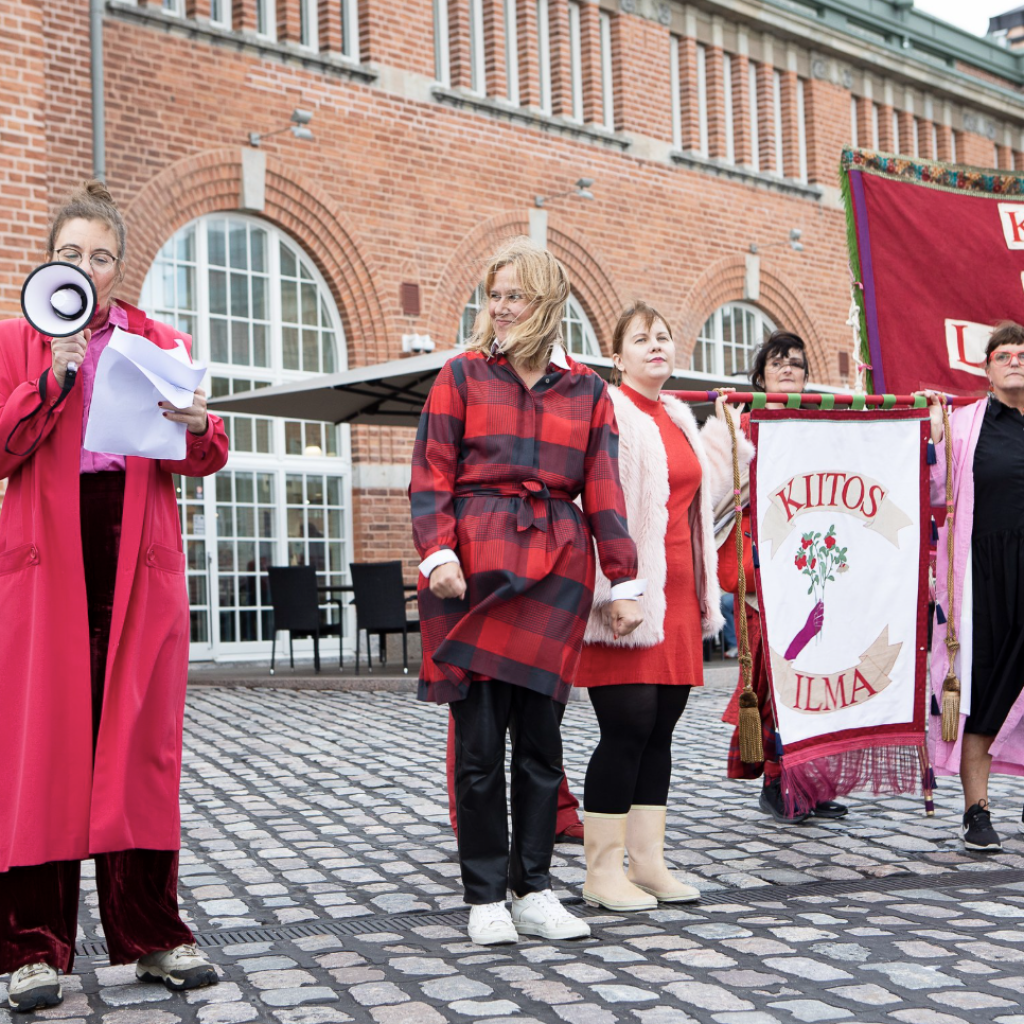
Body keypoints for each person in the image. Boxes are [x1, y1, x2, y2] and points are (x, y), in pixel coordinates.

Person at [0, 181, 228, 1012]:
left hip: (138, 562)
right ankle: (33, 951)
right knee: (40, 752)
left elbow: (204, 454)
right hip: (43, 562)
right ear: (50, 257)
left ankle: (152, 934)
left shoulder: (159, 340)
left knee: (139, 749)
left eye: (101, 257)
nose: (86, 269)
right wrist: (48, 382)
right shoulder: (15, 342)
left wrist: (198, 424)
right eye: (71, 255)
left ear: (119, 264)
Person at [410, 237, 643, 945]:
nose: (501, 308)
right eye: (496, 294)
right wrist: (438, 553)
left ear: (547, 303)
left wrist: (624, 580)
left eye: (515, 295)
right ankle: (485, 896)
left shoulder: (589, 391)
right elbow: (431, 471)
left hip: (558, 575)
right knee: (479, 749)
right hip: (474, 569)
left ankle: (534, 889)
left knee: (542, 746)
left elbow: (605, 489)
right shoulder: (461, 375)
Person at [576, 301, 751, 911]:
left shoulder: (677, 418)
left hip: (678, 598)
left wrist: (728, 440)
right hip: (629, 596)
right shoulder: (611, 411)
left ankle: (647, 862)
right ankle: (601, 872)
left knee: (660, 734)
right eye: (642, 338)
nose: (657, 345)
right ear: (618, 356)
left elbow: (709, 505)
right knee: (625, 729)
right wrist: (615, 590)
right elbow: (598, 505)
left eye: (664, 337)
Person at [720, 331, 849, 823]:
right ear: (760, 376)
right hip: (763, 568)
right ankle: (778, 782)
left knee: (814, 679)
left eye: (796, 362)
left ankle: (812, 782)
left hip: (808, 570)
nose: (789, 369)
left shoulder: (813, 426)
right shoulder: (741, 427)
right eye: (779, 363)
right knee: (776, 682)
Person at [924, 322, 1024, 851]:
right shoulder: (964, 425)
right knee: (983, 688)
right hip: (983, 578)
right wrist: (931, 433)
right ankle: (976, 811)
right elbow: (933, 487)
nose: (1013, 360)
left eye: (1021, 353)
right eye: (1002, 354)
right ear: (986, 368)